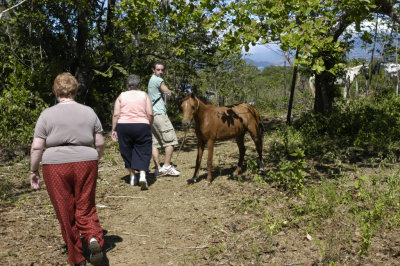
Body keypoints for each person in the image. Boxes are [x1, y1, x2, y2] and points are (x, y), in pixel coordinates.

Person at [30, 72, 105, 266]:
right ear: (75, 91)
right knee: (85, 205)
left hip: (55, 165)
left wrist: (34, 170)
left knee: (65, 210)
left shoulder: (47, 114)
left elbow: (37, 146)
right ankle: (92, 238)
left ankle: (77, 257)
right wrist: (96, 157)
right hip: (86, 162)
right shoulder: (89, 111)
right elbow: (99, 142)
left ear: (55, 92)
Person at [111, 74, 153, 190]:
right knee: (144, 149)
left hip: (124, 126)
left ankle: (132, 175)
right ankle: (143, 175)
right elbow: (149, 113)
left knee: (126, 149)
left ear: (127, 85)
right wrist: (149, 125)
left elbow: (116, 114)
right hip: (142, 125)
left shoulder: (121, 96)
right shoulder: (144, 95)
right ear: (138, 85)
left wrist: (114, 129)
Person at [147, 62, 180, 176]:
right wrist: (168, 95)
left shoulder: (151, 80)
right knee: (170, 140)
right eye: (158, 69)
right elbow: (167, 92)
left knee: (155, 143)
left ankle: (158, 168)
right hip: (160, 115)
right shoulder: (157, 80)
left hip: (152, 115)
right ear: (153, 70)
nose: (160, 72)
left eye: (162, 70)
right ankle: (166, 167)